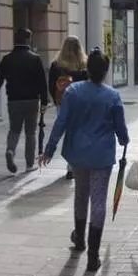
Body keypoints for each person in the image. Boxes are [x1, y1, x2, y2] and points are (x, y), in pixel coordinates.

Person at [40, 49, 129, 272]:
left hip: (78, 153)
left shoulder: (73, 91)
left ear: (87, 69)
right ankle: (93, 255)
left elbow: (61, 122)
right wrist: (124, 139)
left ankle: (79, 237)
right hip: (102, 155)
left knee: (81, 194)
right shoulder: (112, 96)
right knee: (98, 200)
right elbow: (121, 130)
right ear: (106, 71)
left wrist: (49, 149)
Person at [0, 28, 49, 174]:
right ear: (28, 40)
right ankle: (29, 165)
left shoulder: (7, 59)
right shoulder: (35, 58)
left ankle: (10, 150)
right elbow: (42, 82)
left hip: (14, 100)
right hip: (32, 100)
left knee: (14, 129)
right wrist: (45, 101)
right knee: (31, 132)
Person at [48, 36, 90, 180]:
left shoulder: (56, 65)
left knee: (68, 134)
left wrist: (56, 101)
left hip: (63, 103)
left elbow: (51, 85)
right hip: (81, 105)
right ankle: (76, 164)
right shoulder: (85, 65)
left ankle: (71, 167)